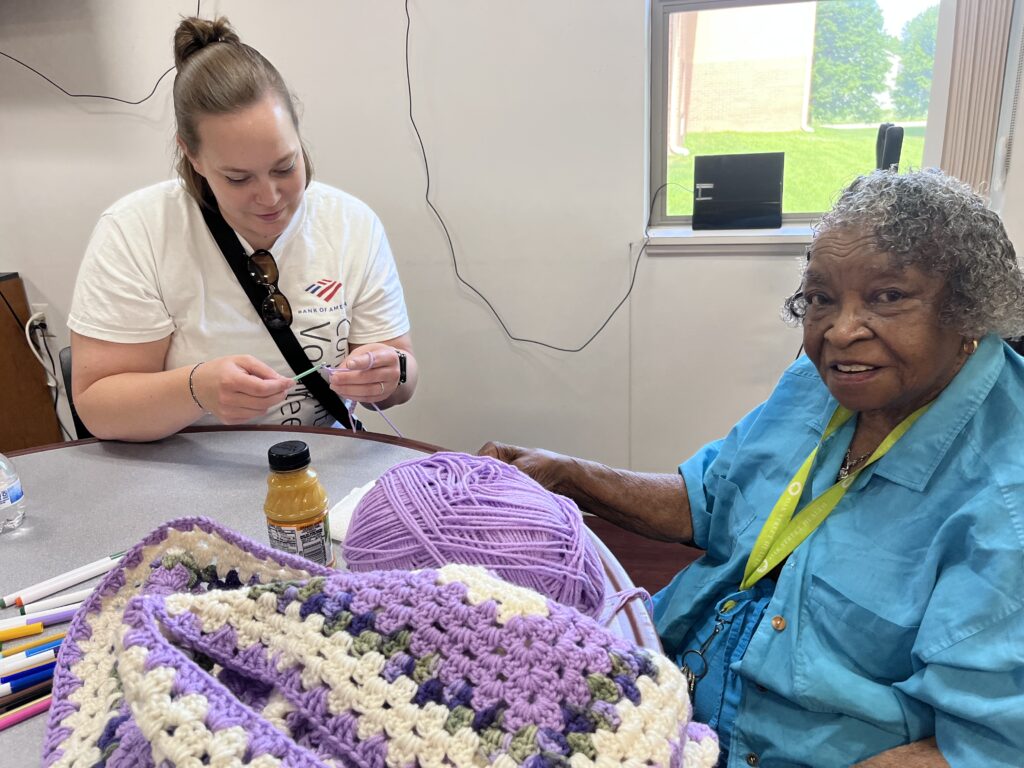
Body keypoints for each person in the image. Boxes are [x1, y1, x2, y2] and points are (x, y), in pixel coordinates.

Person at [481, 169, 1024, 767]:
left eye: (888, 297)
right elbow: (709, 499)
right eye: (821, 299)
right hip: (662, 693)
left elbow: (979, 749)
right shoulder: (821, 383)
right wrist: (567, 475)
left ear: (970, 309)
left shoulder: (1005, 502)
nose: (841, 331)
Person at [68, 16, 417, 441]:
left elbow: (402, 376)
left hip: (324, 461)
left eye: (285, 166)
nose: (269, 197)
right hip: (186, 467)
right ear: (192, 155)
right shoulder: (137, 233)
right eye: (238, 178)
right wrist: (195, 389)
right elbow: (98, 407)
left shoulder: (351, 224)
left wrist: (387, 374)